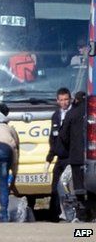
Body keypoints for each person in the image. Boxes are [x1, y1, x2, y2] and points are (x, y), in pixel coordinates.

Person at [58, 91, 89, 221]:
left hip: (76, 156)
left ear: (75, 100)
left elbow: (63, 135)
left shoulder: (71, 114)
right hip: (92, 157)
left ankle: (82, 216)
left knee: (79, 187)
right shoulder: (91, 113)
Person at [45, 87, 72, 222]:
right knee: (55, 186)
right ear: (57, 101)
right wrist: (49, 158)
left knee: (65, 186)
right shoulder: (55, 115)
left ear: (70, 99)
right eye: (61, 100)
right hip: (59, 157)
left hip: (71, 157)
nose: (64, 102)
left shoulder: (73, 114)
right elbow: (53, 138)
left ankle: (71, 215)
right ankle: (55, 215)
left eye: (66, 99)